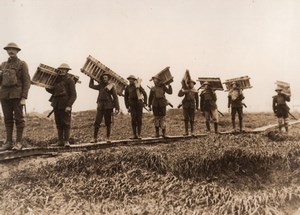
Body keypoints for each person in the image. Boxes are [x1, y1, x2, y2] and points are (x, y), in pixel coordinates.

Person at [0, 42, 31, 151]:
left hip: (17, 96)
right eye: (8, 49)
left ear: (17, 51)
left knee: (19, 119)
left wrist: (23, 98)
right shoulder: (3, 65)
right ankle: (8, 142)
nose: (11, 51)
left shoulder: (22, 64)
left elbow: (27, 82)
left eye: (13, 49)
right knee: (7, 119)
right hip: (4, 96)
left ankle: (18, 143)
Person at [46, 63, 77, 147]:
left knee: (66, 123)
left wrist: (69, 105)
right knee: (58, 123)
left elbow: (73, 95)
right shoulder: (57, 80)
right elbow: (53, 91)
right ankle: (60, 141)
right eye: (61, 69)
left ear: (67, 71)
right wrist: (47, 86)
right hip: (56, 104)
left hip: (65, 105)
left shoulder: (70, 81)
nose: (62, 71)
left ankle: (66, 141)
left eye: (64, 69)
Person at [89, 73, 120, 143]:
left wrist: (117, 107)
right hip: (100, 106)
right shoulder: (100, 85)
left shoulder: (111, 86)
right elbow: (91, 86)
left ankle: (108, 138)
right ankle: (94, 138)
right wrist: (91, 78)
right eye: (103, 77)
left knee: (108, 123)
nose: (104, 79)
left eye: (106, 77)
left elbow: (115, 97)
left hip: (108, 106)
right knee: (97, 122)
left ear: (108, 78)